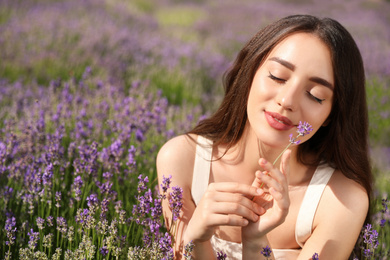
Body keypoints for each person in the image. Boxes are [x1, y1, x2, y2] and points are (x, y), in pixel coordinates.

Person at [157, 14, 372, 259]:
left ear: (332, 115)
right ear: (249, 73)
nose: (287, 101)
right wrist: (195, 241)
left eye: (315, 95)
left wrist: (256, 241)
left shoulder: (341, 200)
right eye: (277, 76)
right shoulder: (182, 160)